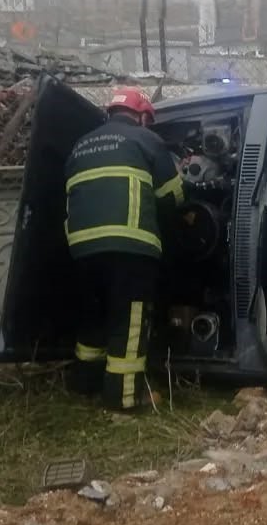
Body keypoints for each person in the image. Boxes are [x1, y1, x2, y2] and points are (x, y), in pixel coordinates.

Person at [65, 86, 185, 411]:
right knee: (129, 322)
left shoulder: (81, 144)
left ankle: (84, 385)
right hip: (130, 247)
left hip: (82, 248)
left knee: (94, 317)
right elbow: (172, 195)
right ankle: (124, 398)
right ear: (143, 116)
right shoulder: (147, 140)